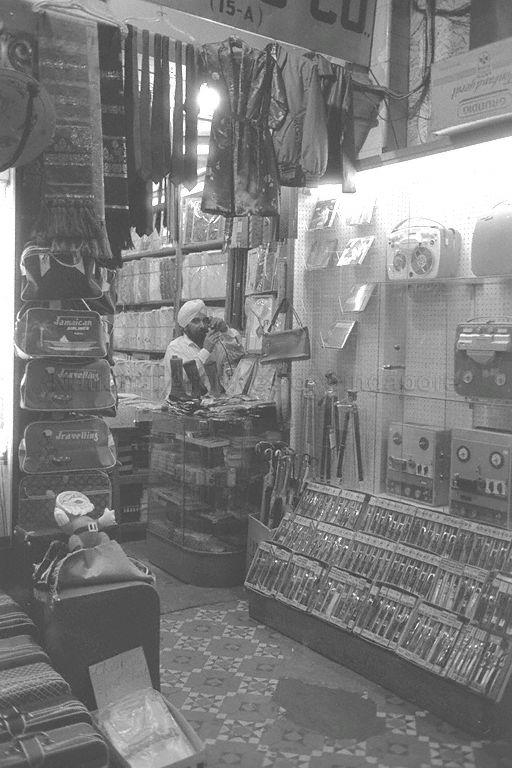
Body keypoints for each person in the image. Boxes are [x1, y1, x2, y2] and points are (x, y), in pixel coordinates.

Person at [163, 299, 243, 399]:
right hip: (184, 404)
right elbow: (184, 378)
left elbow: (238, 354)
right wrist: (206, 351)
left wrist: (226, 331)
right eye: (196, 321)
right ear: (185, 327)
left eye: (205, 320)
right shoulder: (175, 347)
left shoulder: (215, 343)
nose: (202, 325)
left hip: (211, 403)